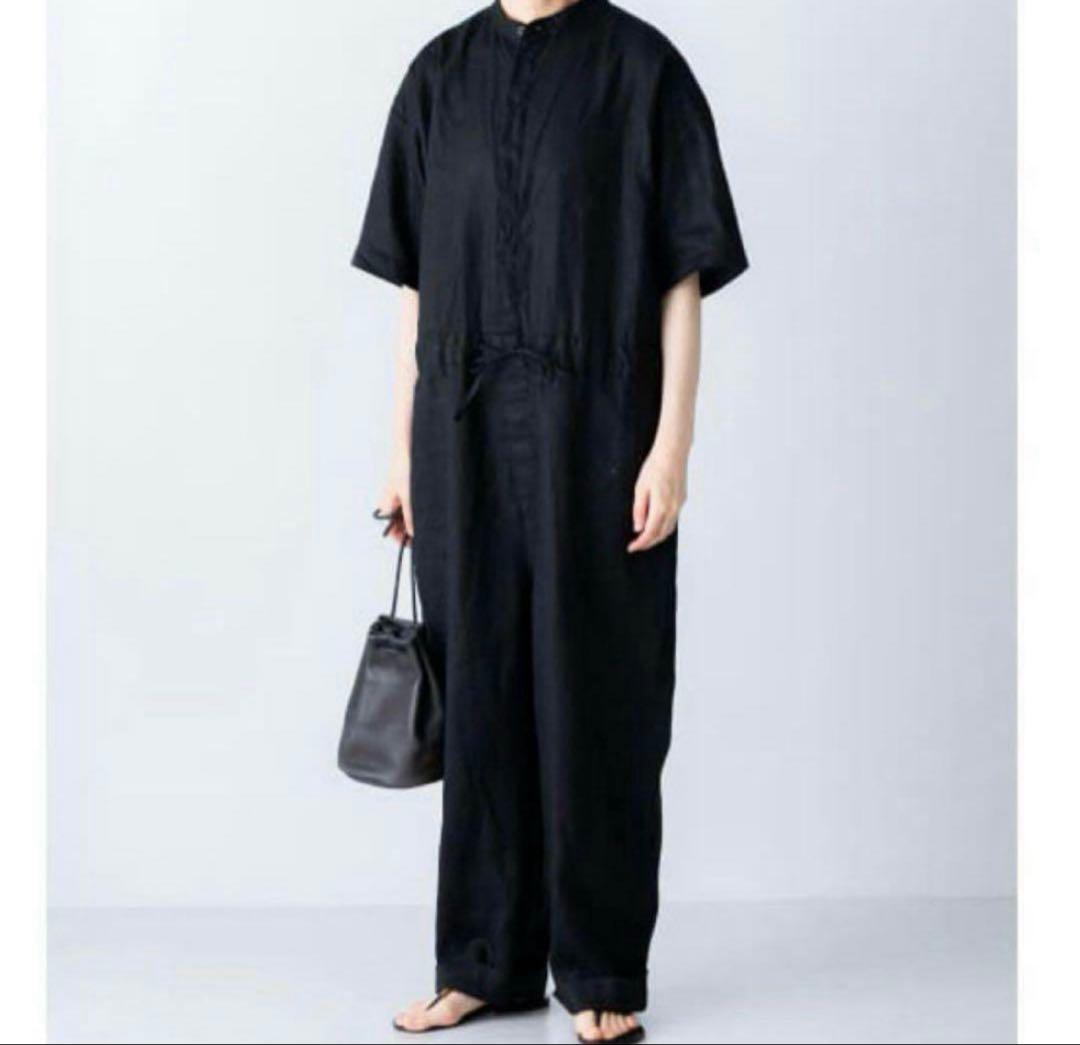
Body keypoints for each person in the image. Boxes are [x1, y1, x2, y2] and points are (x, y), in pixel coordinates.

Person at [352, 1, 747, 1040]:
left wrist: (671, 445)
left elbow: (681, 274)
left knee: (600, 693)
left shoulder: (643, 72)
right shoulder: (437, 78)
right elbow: (413, 288)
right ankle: (482, 960)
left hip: (602, 431)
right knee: (479, 692)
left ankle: (601, 971)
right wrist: (400, 453)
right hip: (461, 432)